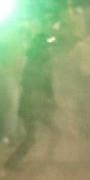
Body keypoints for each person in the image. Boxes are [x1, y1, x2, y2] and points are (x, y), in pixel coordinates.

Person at [5, 32, 58, 169]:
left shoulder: (37, 61)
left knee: (55, 131)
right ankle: (12, 163)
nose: (48, 49)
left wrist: (50, 99)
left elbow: (47, 84)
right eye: (45, 47)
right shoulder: (35, 63)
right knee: (32, 137)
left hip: (36, 103)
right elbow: (39, 83)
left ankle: (48, 160)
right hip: (32, 104)